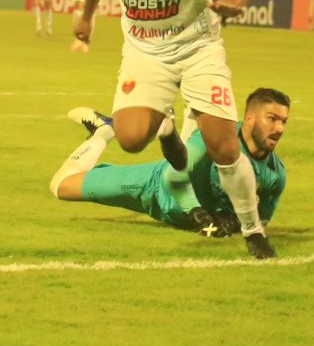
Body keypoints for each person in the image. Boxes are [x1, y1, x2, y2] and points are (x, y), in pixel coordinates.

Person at [74, 0, 274, 259]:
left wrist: (233, 0)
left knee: (222, 146)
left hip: (198, 47)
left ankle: (253, 231)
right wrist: (86, 16)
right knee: (131, 140)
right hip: (145, 51)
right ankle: (166, 127)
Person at [49, 88, 289, 236]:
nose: (279, 128)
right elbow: (173, 176)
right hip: (156, 188)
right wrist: (199, 214)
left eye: (283, 121)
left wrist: (234, 222)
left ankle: (177, 117)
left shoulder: (275, 174)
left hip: (183, 195)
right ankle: (103, 131)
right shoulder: (218, 139)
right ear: (248, 119)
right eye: (272, 119)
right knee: (60, 186)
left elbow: (261, 220)